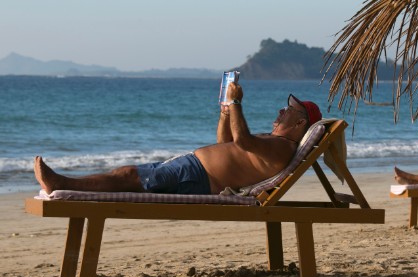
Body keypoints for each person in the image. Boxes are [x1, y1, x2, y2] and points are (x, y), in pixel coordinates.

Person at [34, 82, 322, 195]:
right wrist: (225, 114)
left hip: (197, 177)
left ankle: (61, 184)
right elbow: (228, 144)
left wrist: (236, 104)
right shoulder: (273, 142)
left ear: (300, 123)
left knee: (128, 176)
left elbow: (242, 141)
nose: (281, 110)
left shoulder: (282, 148)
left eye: (289, 110)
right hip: (192, 168)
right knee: (126, 175)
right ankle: (64, 183)